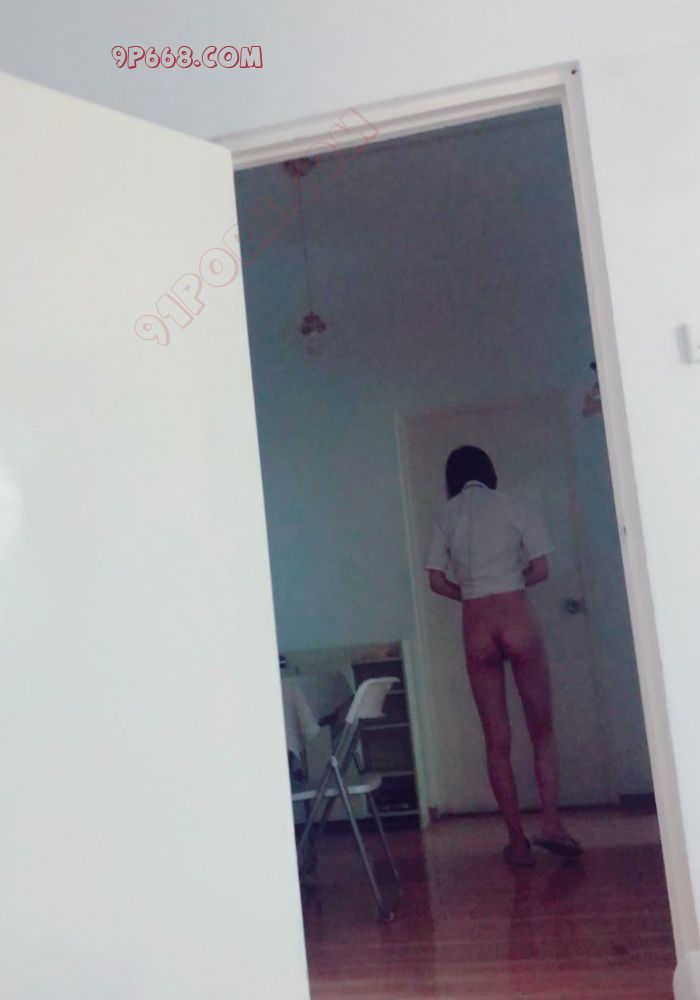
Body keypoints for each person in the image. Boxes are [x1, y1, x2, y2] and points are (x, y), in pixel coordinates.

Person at [425, 445, 582, 866]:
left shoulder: (445, 515)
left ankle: (517, 842)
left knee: (496, 739)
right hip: (517, 618)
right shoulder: (514, 506)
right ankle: (552, 824)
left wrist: (472, 593)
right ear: (489, 472)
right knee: (541, 730)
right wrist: (508, 582)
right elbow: (541, 569)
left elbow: (435, 580)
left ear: (452, 479)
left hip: (476, 625)